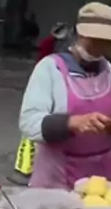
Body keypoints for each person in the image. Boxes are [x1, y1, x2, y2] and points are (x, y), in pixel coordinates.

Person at [19, 3, 111, 189]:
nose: (99, 47)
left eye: (106, 42)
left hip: (102, 180)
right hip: (58, 180)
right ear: (79, 34)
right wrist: (72, 123)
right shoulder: (50, 68)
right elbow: (29, 123)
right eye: (94, 40)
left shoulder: (110, 71)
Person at [10, 23, 73, 183]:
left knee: (32, 134)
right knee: (37, 133)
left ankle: (25, 170)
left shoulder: (50, 44)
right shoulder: (63, 46)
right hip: (53, 90)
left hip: (49, 90)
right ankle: (29, 169)